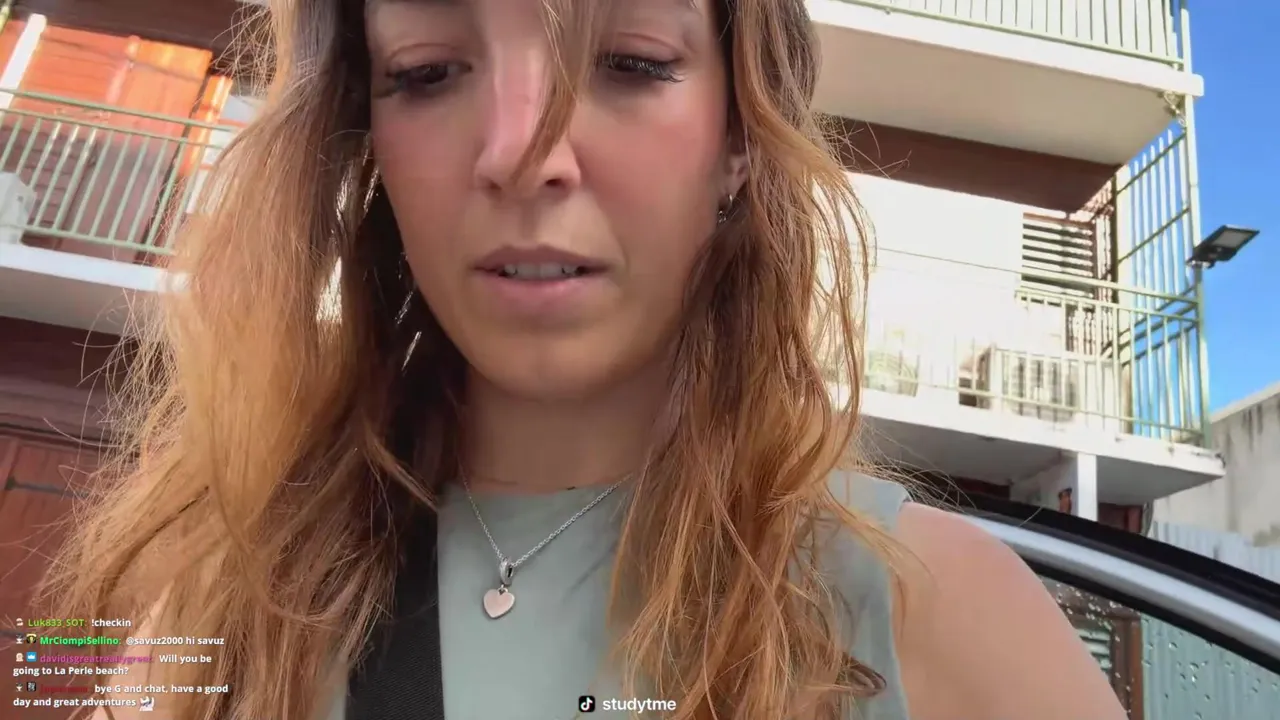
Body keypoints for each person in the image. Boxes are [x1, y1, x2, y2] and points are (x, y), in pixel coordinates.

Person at [43, 0, 1128, 718]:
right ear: (363, 143)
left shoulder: (937, 615)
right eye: (426, 71)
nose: (521, 152)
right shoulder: (224, 598)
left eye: (631, 63)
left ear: (738, 141)